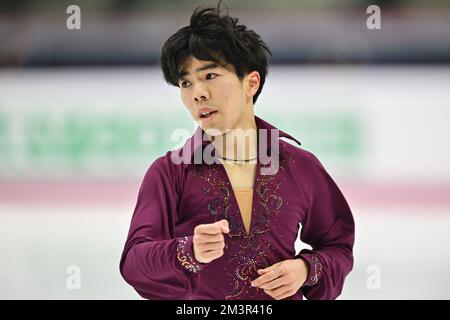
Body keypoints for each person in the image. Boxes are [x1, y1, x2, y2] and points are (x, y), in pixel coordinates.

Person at [119, 1, 355, 300]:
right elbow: (134, 262)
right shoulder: (170, 172)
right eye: (185, 82)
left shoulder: (299, 166)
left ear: (251, 83)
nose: (197, 94)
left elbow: (337, 246)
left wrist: (306, 270)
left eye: (209, 76)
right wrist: (185, 251)